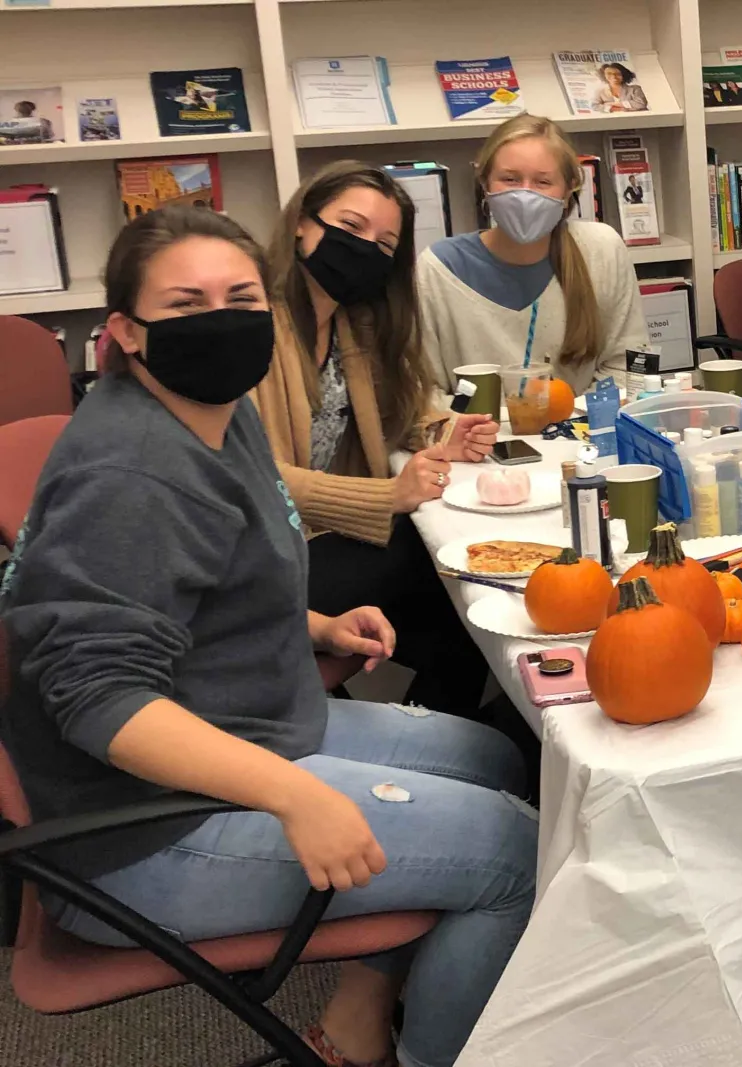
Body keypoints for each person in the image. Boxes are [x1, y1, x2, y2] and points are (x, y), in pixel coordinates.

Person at [0, 205, 540, 1067]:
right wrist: (296, 797)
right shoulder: (127, 473)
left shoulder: (216, 412)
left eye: (239, 295)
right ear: (125, 333)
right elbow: (99, 699)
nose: (220, 319)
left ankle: (362, 1021)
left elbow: (196, 584)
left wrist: (315, 621)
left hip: (240, 716)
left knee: (496, 762)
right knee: (516, 853)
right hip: (134, 828)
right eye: (185, 303)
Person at [254, 160, 495, 718]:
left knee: (463, 611)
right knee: (447, 573)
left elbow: (389, 413)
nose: (365, 248)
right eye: (351, 226)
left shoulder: (347, 322)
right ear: (301, 224)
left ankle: (442, 746)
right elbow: (253, 479)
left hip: (318, 539)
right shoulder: (256, 326)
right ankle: (448, 748)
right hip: (265, 557)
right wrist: (387, 497)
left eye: (385, 243)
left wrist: (443, 429)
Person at [416, 114, 647, 398]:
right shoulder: (438, 268)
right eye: (510, 179)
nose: (525, 195)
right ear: (485, 183)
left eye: (542, 182)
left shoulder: (602, 249)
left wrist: (571, 426)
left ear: (568, 189)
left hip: (580, 435)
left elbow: (634, 366)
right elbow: (422, 393)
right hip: (477, 440)